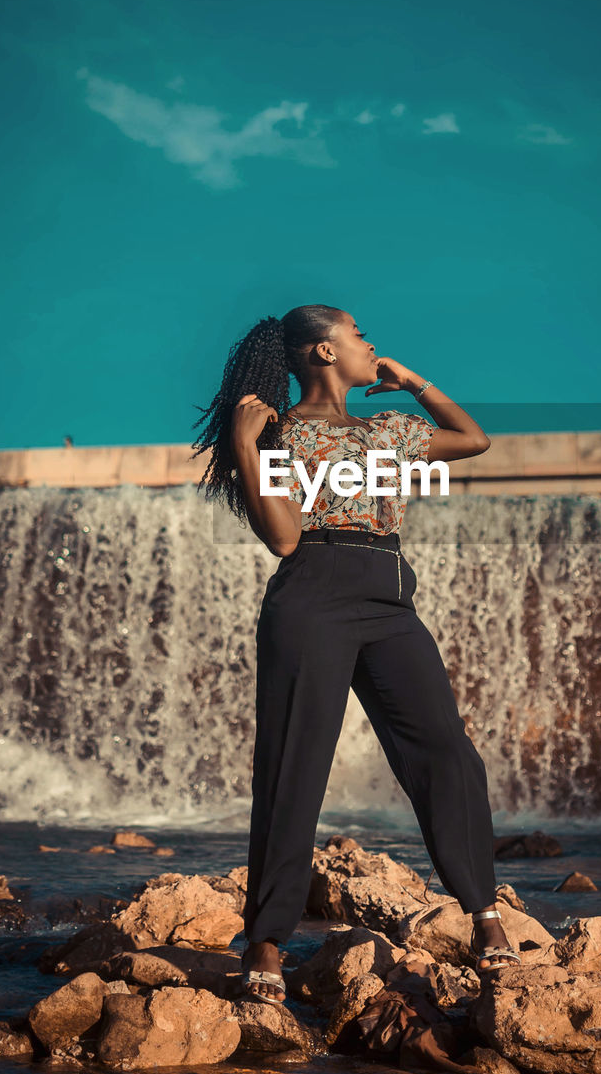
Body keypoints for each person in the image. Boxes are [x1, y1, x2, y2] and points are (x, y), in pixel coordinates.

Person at [191, 304, 519, 1005]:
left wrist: (414, 382)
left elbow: (472, 439)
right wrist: (246, 447)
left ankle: (485, 916)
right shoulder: (277, 431)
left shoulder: (390, 429)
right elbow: (281, 537)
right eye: (360, 335)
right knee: (293, 767)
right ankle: (268, 943)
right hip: (312, 592)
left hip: (389, 597)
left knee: (445, 752)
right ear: (323, 351)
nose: (373, 344)